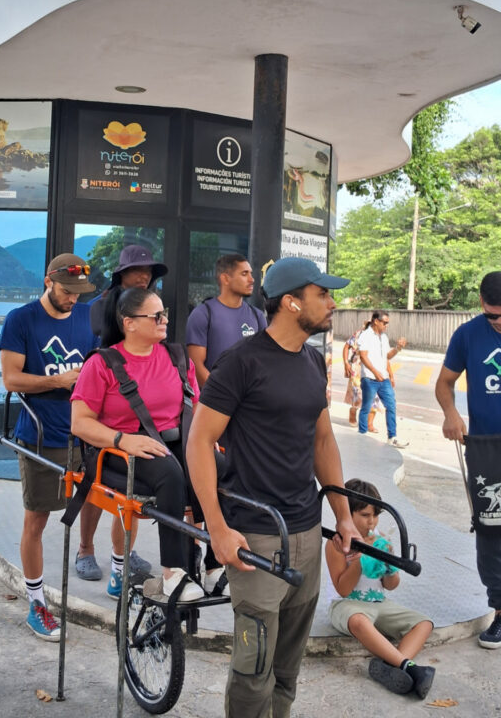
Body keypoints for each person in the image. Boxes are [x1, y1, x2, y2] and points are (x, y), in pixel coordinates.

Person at [186, 256, 360, 718]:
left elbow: (323, 441)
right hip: (256, 536)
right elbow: (198, 442)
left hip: (306, 530)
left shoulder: (313, 361)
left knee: (286, 669)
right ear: (291, 302)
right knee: (253, 669)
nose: (332, 303)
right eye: (322, 294)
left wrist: (343, 517)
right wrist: (217, 528)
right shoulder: (241, 362)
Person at [72, 287, 226, 602]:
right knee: (170, 473)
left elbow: (196, 408)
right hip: (119, 449)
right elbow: (80, 423)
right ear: (129, 323)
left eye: (164, 314)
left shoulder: (177, 357)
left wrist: (206, 441)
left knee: (221, 466)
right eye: (156, 316)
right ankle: (173, 572)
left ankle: (214, 562)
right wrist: (123, 440)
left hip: (174, 440)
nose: (164, 320)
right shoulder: (102, 364)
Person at [0, 253, 97, 640]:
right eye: (66, 291)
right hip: (42, 436)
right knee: (36, 520)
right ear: (48, 282)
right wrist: (58, 381)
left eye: (78, 293)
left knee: (98, 501)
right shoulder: (21, 319)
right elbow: (10, 379)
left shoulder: (88, 317)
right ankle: (37, 603)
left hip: (85, 433)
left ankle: (94, 556)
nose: (73, 298)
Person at [81, 244, 167, 583]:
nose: (144, 275)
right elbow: (100, 346)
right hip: (105, 392)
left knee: (130, 491)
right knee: (93, 482)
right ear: (122, 274)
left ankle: (124, 553)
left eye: (148, 271)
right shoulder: (102, 305)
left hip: (139, 399)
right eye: (137, 270)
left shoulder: (153, 305)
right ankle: (85, 548)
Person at [436, 270, 501, 649]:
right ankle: (500, 611)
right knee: (491, 528)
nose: (500, 322)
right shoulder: (468, 335)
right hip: (486, 448)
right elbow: (444, 383)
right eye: (493, 316)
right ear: (481, 304)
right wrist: (451, 414)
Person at [326, 478, 435, 699]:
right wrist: (359, 559)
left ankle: (392, 667)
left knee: (424, 624)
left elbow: (391, 586)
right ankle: (409, 667)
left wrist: (390, 567)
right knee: (359, 621)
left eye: (375, 515)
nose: (372, 522)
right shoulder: (336, 544)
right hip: (348, 606)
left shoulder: (379, 541)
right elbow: (343, 590)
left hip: (379, 603)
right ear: (347, 514)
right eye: (365, 515)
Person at [186, 253, 266, 387]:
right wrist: (221, 395)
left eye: (251, 273)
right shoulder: (203, 314)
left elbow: (264, 362)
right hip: (215, 397)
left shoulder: (257, 316)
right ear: (225, 279)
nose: (252, 279)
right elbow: (196, 366)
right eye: (244, 274)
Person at [357, 310, 408, 447]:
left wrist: (397, 348)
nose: (386, 325)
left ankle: (392, 437)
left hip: (383, 379)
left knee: (391, 405)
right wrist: (375, 372)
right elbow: (363, 356)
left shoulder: (384, 337)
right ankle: (361, 436)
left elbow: (387, 356)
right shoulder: (365, 335)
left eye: (387, 323)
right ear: (376, 321)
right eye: (384, 323)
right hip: (369, 378)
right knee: (366, 407)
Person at [343, 322, 382, 430]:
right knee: (358, 394)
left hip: (373, 368)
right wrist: (346, 363)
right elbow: (346, 347)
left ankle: (370, 424)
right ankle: (353, 411)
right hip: (357, 368)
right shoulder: (358, 334)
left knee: (374, 396)